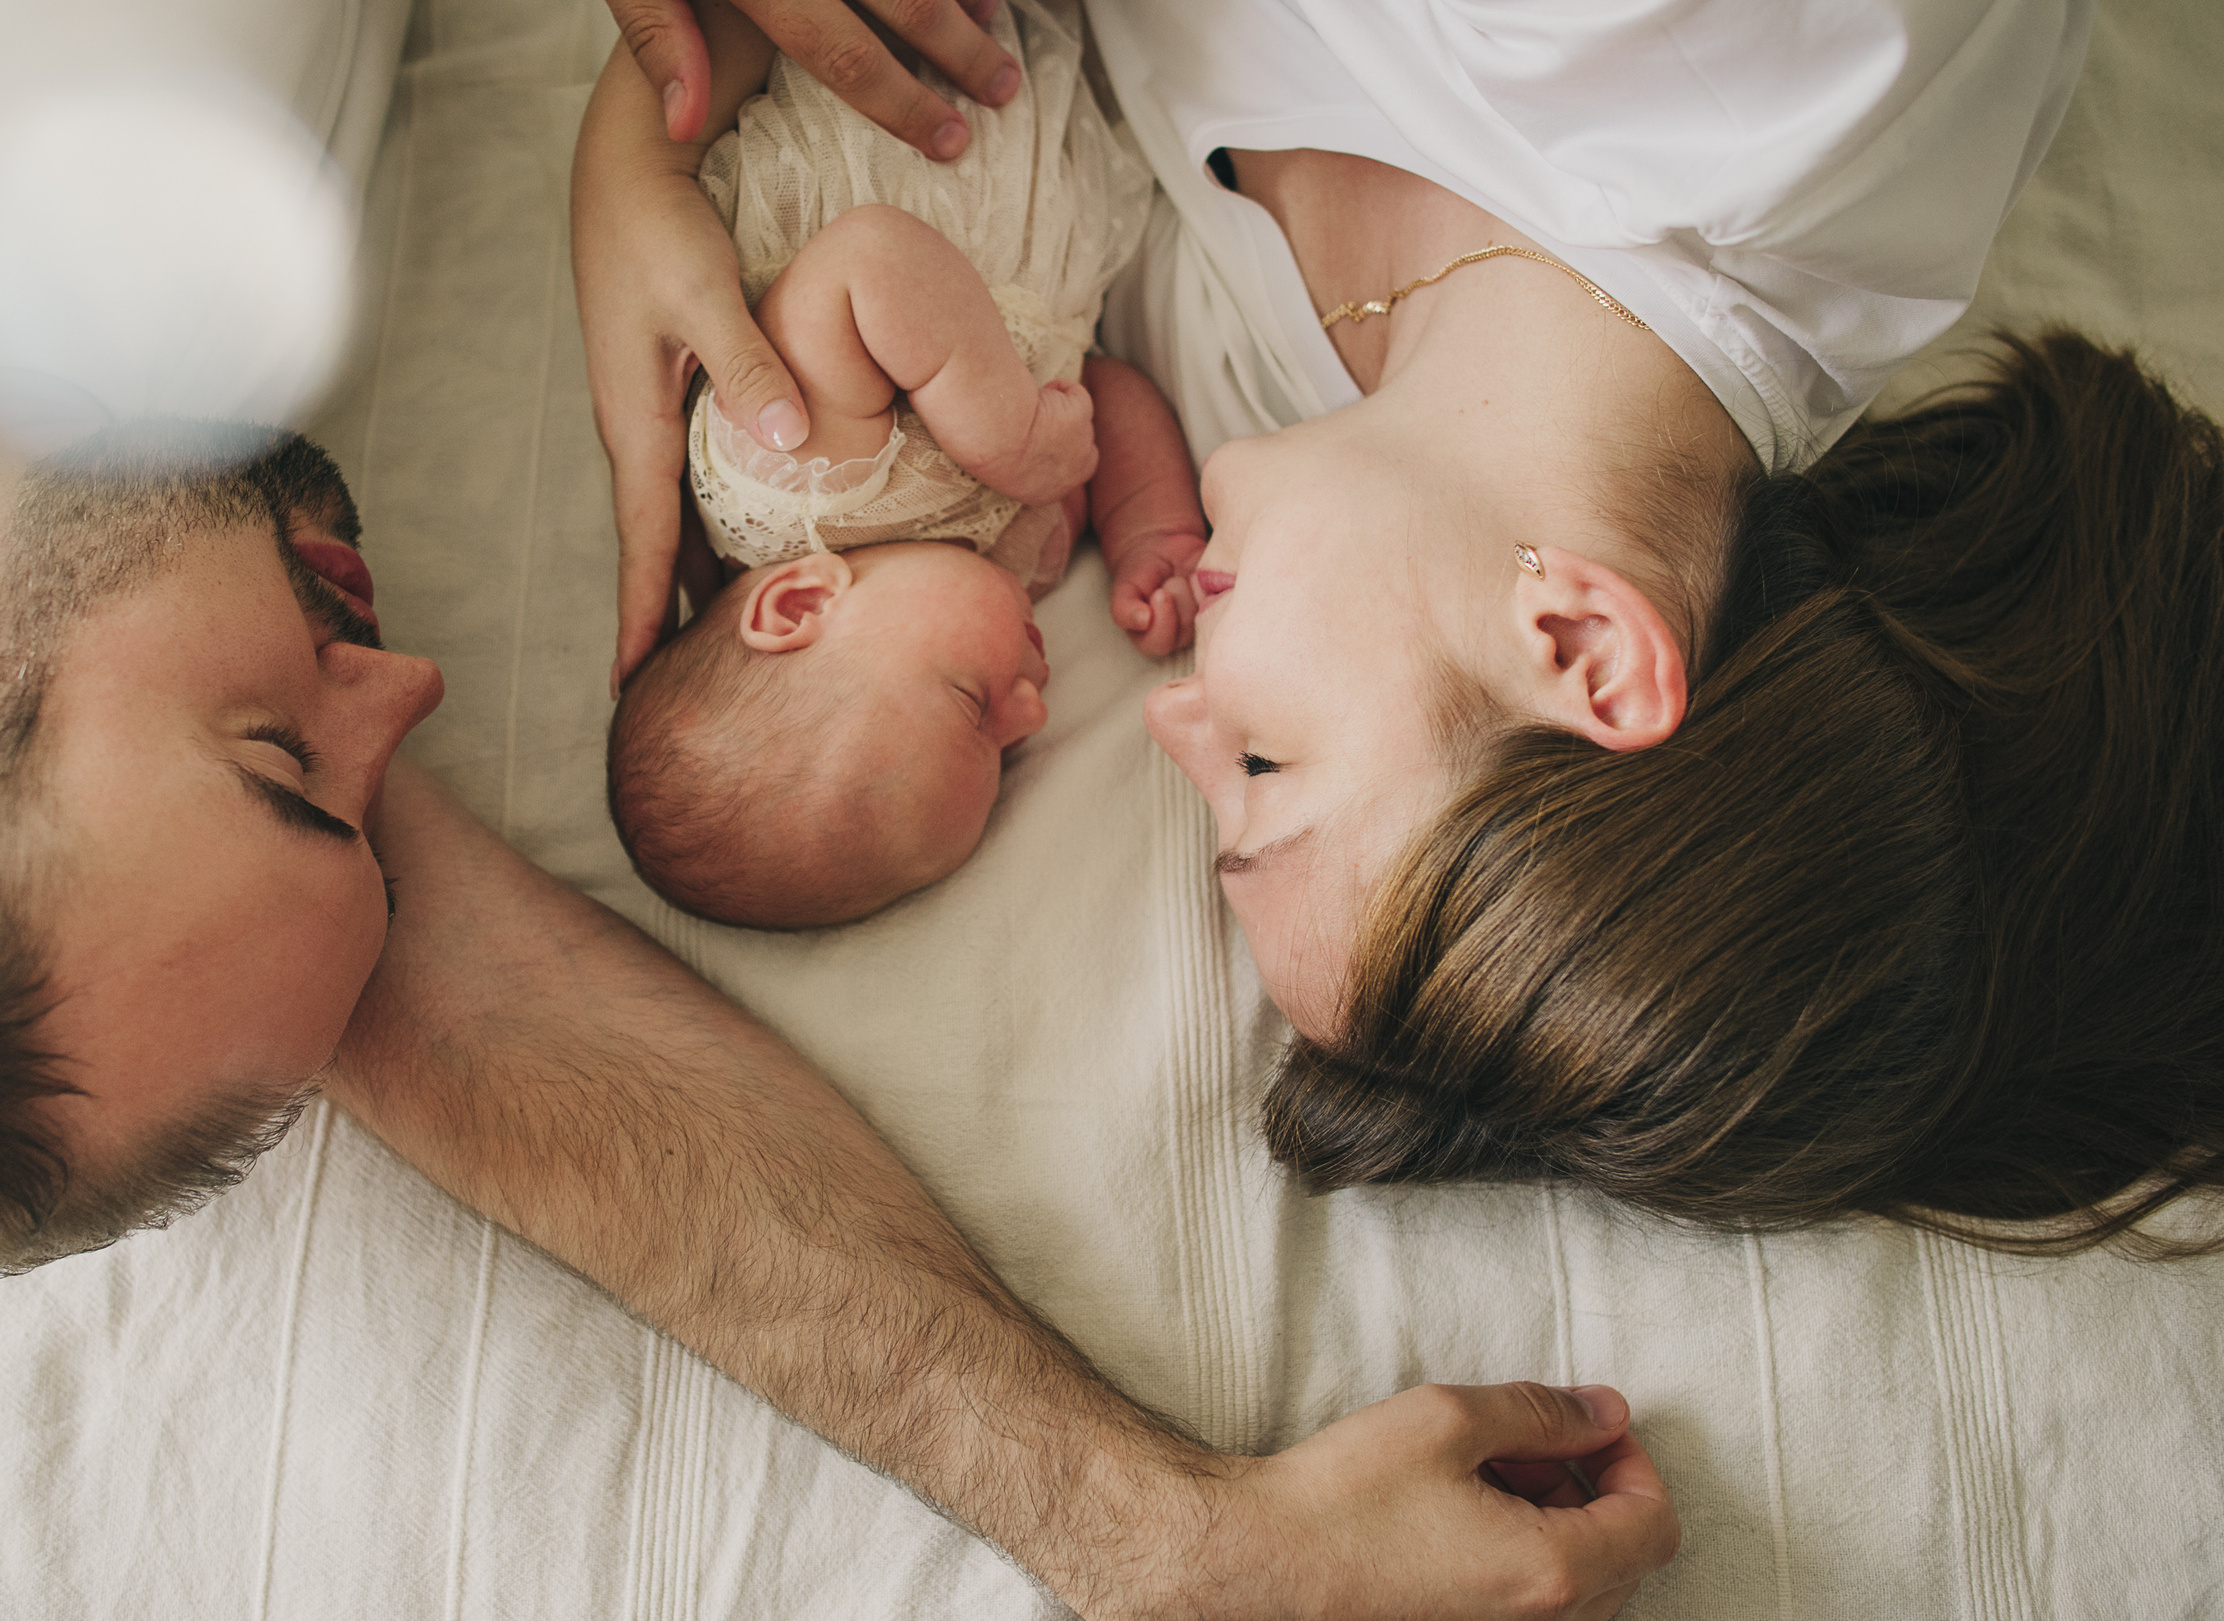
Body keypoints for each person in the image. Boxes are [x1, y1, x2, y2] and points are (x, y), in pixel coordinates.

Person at [0, 363, 1678, 1621]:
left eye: (282, 748)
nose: (412, 685)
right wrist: (1157, 1540)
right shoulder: (87, 620)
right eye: (351, 803)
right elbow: (487, 1018)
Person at [591, 0, 2224, 1255]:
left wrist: (645, 136)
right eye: (1266, 763)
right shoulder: (1768, 64)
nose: (1171, 713)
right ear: (1579, 642)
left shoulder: (1249, 393)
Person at [600, 0, 1207, 926]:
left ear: (798, 604)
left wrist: (1003, 431)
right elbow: (1096, 400)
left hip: (889, 83)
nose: (1032, 713)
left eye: (975, 707)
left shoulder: (792, 490)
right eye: (1007, 750)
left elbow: (866, 261)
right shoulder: (1014, 563)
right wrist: (1151, 525)